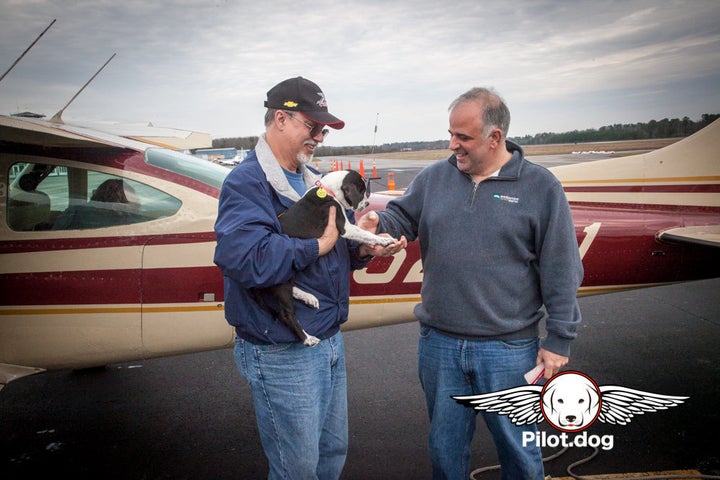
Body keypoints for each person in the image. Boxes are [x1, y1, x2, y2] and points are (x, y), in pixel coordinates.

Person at [359, 87, 584, 479]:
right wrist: (379, 226)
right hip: (440, 346)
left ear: (495, 137)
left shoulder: (541, 187)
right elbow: (401, 218)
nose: (453, 145)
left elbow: (561, 267)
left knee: (520, 455)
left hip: (508, 349)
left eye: (463, 137)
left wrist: (559, 339)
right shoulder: (434, 178)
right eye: (451, 134)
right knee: (445, 453)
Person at [213, 76, 405, 480]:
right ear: (280, 119)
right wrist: (316, 246)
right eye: (312, 126)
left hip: (327, 338)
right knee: (296, 470)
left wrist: (362, 249)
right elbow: (246, 260)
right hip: (282, 350)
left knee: (330, 456)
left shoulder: (311, 179)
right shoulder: (246, 183)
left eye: (323, 129)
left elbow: (334, 246)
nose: (319, 135)